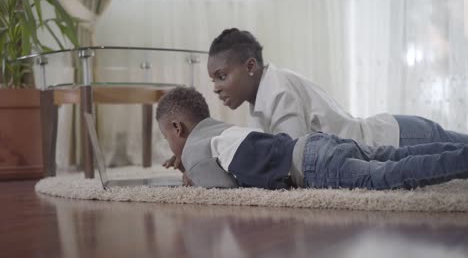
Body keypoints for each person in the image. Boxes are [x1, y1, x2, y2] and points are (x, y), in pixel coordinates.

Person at [156, 87, 468, 190]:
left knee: (388, 176)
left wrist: (188, 171)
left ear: (177, 128)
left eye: (166, 137)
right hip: (317, 143)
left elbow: (219, 188)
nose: (170, 146)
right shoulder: (218, 129)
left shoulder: (195, 154)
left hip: (311, 166)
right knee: (391, 157)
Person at [207, 28, 468, 147]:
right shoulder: (262, 97)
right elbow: (259, 150)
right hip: (397, 135)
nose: (216, 88)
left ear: (250, 66)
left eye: (222, 76)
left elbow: (291, 156)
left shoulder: (278, 90)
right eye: (213, 81)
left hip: (398, 138)